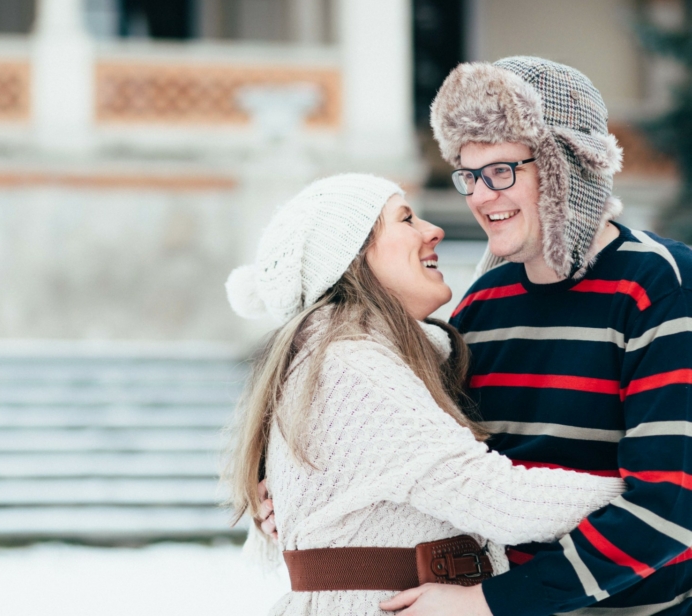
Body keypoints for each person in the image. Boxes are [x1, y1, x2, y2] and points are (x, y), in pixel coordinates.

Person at [223, 172, 623, 616]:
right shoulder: (354, 368)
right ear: (351, 257)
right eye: (406, 219)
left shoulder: (376, 357)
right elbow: (494, 496)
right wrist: (659, 499)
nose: (433, 230)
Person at [384, 57, 692, 615]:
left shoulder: (660, 287)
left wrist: (490, 603)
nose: (479, 196)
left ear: (567, 165)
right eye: (469, 175)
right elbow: (424, 456)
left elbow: (670, 508)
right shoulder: (481, 304)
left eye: (501, 170)